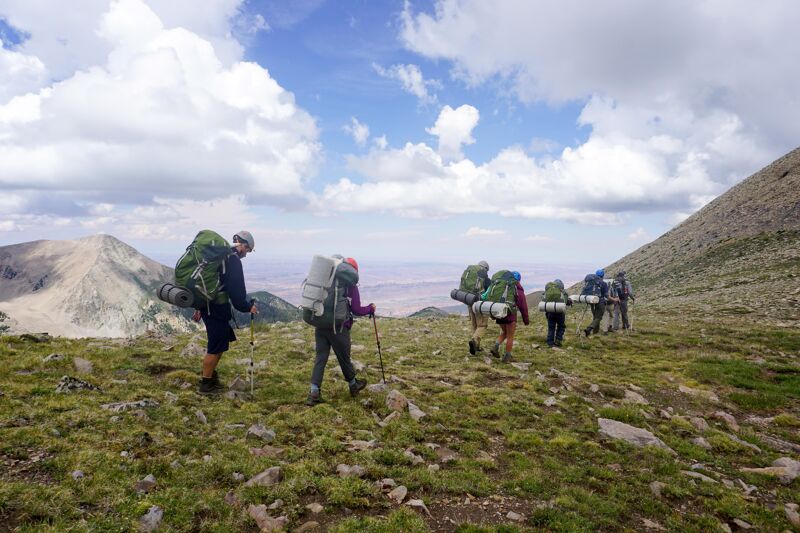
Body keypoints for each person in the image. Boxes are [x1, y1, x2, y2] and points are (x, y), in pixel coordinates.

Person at [195, 231, 258, 395]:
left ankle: (210, 377)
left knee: (220, 342)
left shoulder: (221, 256)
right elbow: (236, 293)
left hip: (209, 305)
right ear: (243, 245)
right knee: (215, 346)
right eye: (249, 250)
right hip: (216, 307)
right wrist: (247, 307)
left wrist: (198, 305)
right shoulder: (233, 260)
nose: (247, 254)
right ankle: (206, 385)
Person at [306, 257, 375, 406]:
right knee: (344, 358)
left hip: (321, 324)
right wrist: (370, 308)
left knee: (320, 358)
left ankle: (314, 392)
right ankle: (353, 385)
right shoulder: (349, 284)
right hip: (338, 328)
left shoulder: (325, 278)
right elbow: (356, 309)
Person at [489, 271, 529, 363]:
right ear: (518, 280)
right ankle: (507, 357)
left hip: (499, 313)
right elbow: (523, 307)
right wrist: (526, 320)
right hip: (510, 315)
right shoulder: (519, 290)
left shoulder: (503, 287)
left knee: (505, 332)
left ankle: (495, 346)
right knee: (510, 336)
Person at [462, 260, 491, 355]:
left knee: (474, 324)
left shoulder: (471, 275)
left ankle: (476, 346)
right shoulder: (485, 279)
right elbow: (488, 293)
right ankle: (474, 341)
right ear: (486, 269)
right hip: (479, 303)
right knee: (482, 325)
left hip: (469, 300)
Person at [543, 279, 572, 348]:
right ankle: (558, 340)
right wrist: (569, 301)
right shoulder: (562, 292)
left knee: (551, 328)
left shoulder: (549, 292)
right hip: (560, 313)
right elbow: (566, 302)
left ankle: (550, 343)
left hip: (550, 312)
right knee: (561, 326)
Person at [584, 269, 609, 338]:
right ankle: (589, 329)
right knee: (598, 317)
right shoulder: (603, 283)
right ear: (602, 275)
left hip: (591, 300)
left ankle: (595, 332)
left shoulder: (591, 282)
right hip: (600, 301)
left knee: (595, 317)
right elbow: (606, 295)